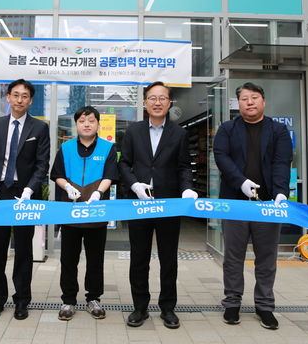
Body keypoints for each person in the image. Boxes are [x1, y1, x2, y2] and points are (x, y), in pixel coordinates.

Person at [119, 81, 198, 329]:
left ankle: (168, 308)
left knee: (168, 258)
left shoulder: (179, 133)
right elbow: (124, 164)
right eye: (152, 98)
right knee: (139, 258)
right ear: (144, 103)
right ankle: (139, 308)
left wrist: (187, 188)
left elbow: (184, 166)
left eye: (162, 98)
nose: (157, 102)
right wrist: (135, 186)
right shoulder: (133, 131)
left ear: (169, 103)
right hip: (139, 204)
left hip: (169, 204)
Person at [213, 82, 292, 330]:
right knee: (233, 257)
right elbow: (221, 157)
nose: (249, 102)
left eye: (254, 97)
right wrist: (241, 182)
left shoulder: (278, 130)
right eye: (244, 98)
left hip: (267, 204)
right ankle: (232, 303)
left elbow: (282, 162)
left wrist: (281, 193)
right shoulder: (227, 129)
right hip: (235, 204)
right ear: (238, 104)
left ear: (263, 101)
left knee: (266, 258)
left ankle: (265, 306)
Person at [0, 78, 50, 321]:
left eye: (24, 96)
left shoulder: (39, 128)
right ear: (8, 97)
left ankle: (22, 300)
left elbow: (42, 164)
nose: (19, 100)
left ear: (30, 100)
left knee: (23, 250)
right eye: (15, 95)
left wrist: (30, 190)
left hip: (24, 194)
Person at [50, 106, 118, 321]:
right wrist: (67, 187)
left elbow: (110, 175)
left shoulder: (108, 147)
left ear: (98, 124)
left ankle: (94, 299)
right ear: (76, 124)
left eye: (91, 121)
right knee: (68, 259)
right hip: (70, 212)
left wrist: (99, 192)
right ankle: (68, 300)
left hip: (96, 212)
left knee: (95, 259)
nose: (86, 124)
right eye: (82, 121)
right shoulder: (66, 147)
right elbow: (57, 174)